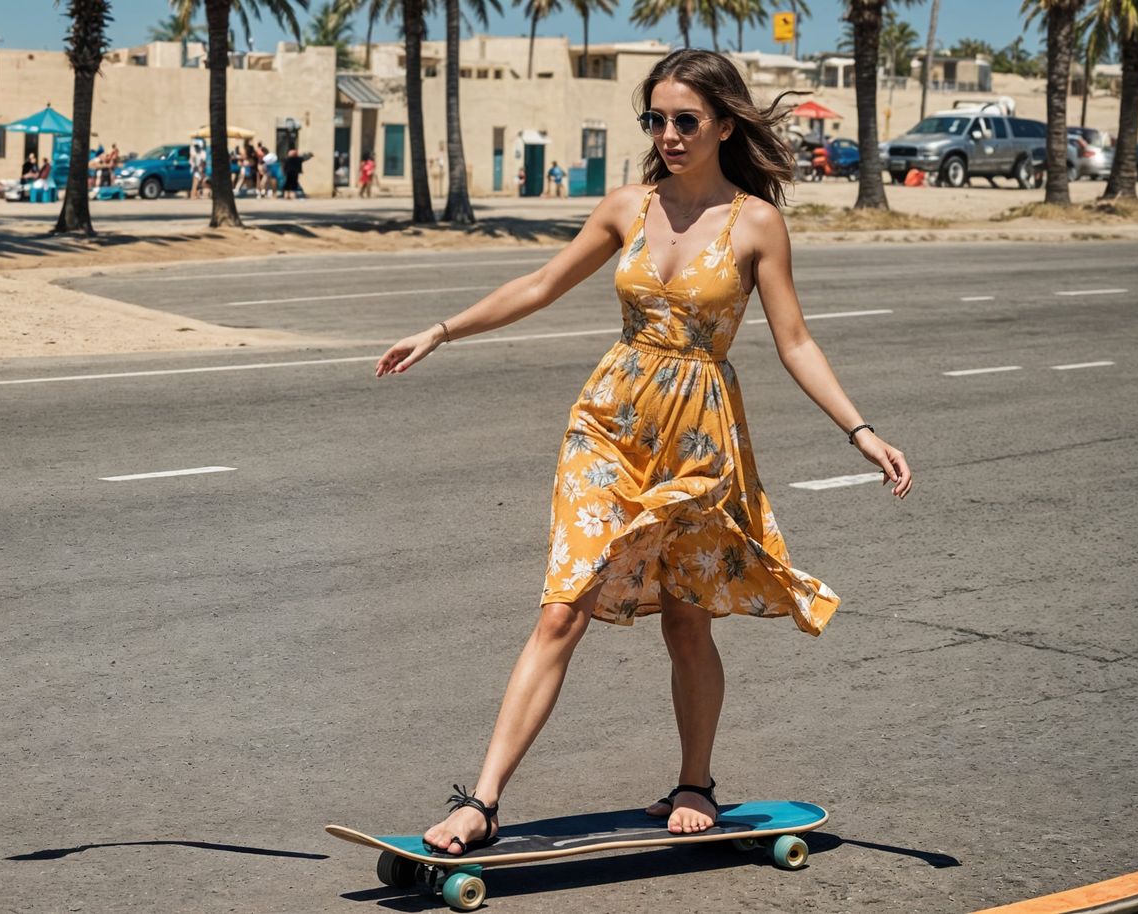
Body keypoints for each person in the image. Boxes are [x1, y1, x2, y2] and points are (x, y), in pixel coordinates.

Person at [373, 48, 912, 856]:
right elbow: (540, 285)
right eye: (655, 120)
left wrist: (861, 430)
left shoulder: (756, 222)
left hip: (699, 437)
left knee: (687, 623)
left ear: (725, 125)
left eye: (685, 120)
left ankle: (695, 782)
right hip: (609, 423)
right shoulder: (627, 206)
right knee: (563, 606)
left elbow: (795, 341)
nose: (668, 134)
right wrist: (442, 330)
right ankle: (481, 803)